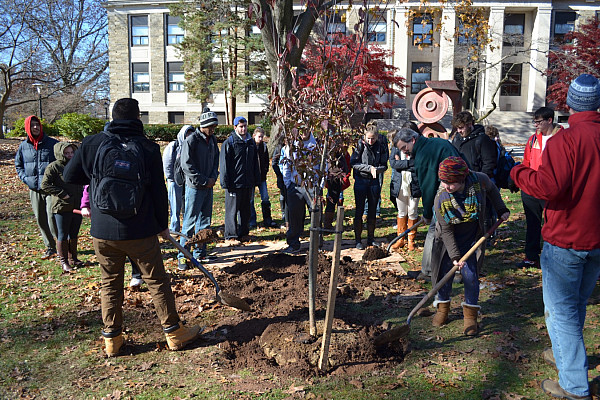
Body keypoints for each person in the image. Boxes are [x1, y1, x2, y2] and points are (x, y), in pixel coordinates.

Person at [63, 98, 202, 356]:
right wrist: (162, 225)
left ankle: (112, 341)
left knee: (110, 283)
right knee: (157, 282)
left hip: (103, 231)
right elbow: (159, 192)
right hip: (140, 229)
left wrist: (95, 177)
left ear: (113, 117)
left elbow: (69, 176)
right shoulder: (147, 147)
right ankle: (174, 333)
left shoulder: (93, 143)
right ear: (137, 118)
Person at [510, 74, 600, 400]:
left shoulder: (566, 141)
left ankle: (574, 387)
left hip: (566, 240)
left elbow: (547, 187)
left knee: (561, 313)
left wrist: (517, 172)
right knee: (575, 306)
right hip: (596, 242)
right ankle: (568, 359)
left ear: (570, 104)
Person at [431, 156, 509, 336]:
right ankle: (442, 309)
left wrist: (501, 209)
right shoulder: (440, 199)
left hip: (472, 237)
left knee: (471, 276)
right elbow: (446, 230)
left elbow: (492, 190)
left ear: (463, 179)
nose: (446, 186)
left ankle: (470, 317)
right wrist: (455, 257)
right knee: (444, 275)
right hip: (447, 242)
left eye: (451, 183)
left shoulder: (479, 180)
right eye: (443, 181)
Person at [392, 128, 462, 280]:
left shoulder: (424, 156)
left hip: (449, 191)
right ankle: (446, 270)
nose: (405, 152)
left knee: (436, 231)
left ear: (413, 140)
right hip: (458, 187)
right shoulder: (436, 142)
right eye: (402, 150)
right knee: (453, 230)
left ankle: (432, 271)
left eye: (405, 147)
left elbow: (428, 187)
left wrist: (428, 214)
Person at [516, 107, 563, 269]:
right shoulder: (533, 140)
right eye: (534, 122)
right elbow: (527, 162)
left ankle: (555, 257)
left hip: (553, 189)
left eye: (539, 122)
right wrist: (525, 182)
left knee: (554, 224)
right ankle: (531, 257)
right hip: (532, 189)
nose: (535, 125)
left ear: (549, 120)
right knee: (533, 223)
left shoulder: (562, 138)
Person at [178, 108, 220, 269]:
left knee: (205, 221)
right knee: (189, 222)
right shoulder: (192, 140)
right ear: (203, 125)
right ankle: (182, 255)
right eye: (211, 127)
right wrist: (203, 180)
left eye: (214, 127)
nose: (213, 130)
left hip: (208, 186)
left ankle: (200, 252)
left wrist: (213, 178)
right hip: (195, 187)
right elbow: (187, 166)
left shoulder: (213, 139)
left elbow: (215, 159)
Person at [15, 115, 58, 260]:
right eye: (32, 125)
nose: (35, 127)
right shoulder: (23, 146)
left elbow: (62, 163)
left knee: (52, 217)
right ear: (28, 127)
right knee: (41, 219)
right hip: (34, 189)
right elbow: (18, 165)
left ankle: (61, 246)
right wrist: (25, 179)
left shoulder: (52, 144)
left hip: (51, 188)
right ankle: (50, 247)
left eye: (37, 125)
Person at [41, 142, 84, 273]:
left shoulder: (77, 165)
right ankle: (64, 262)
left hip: (77, 205)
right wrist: (62, 194)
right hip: (61, 206)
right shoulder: (54, 167)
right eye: (66, 153)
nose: (70, 155)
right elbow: (45, 185)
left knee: (74, 233)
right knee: (63, 234)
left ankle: (73, 258)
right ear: (60, 153)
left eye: (72, 152)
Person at [219, 116, 260, 245]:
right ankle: (231, 235)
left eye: (245, 126)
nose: (243, 129)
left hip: (247, 183)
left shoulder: (250, 142)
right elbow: (224, 164)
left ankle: (244, 233)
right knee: (232, 210)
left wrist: (256, 179)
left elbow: (255, 162)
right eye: (241, 126)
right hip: (234, 183)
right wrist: (225, 182)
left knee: (245, 210)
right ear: (235, 127)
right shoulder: (229, 143)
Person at [279, 128, 318, 254]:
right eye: (300, 130)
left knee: (315, 215)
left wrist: (319, 184)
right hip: (295, 186)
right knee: (294, 216)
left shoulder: (317, 144)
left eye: (306, 129)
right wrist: (288, 183)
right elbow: (286, 165)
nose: (303, 132)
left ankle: (316, 243)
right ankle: (294, 243)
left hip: (312, 186)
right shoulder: (291, 146)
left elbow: (323, 165)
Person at [350, 124, 388, 250]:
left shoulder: (381, 145)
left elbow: (385, 164)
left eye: (373, 138)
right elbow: (353, 163)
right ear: (365, 136)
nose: (370, 141)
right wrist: (368, 168)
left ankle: (371, 238)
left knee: (372, 210)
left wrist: (376, 170)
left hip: (374, 181)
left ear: (377, 136)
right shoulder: (360, 145)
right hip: (361, 180)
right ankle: (358, 240)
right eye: (368, 138)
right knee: (359, 210)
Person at [389, 128, 421, 251]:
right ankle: (400, 239)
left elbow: (417, 165)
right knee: (402, 211)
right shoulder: (396, 148)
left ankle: (411, 240)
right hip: (400, 183)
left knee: (412, 211)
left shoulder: (416, 149)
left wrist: (401, 163)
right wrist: (407, 164)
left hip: (414, 183)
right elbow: (393, 164)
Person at [163, 124, 195, 233]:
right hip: (174, 181)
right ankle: (174, 228)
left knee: (187, 205)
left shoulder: (192, 147)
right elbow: (167, 163)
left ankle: (187, 228)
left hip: (188, 181)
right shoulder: (173, 146)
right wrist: (171, 179)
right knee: (175, 206)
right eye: (187, 134)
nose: (189, 137)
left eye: (191, 135)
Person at [451, 111, 497, 178]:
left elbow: (489, 163)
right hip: (459, 180)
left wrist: (480, 180)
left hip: (477, 180)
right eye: (457, 128)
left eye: (461, 127)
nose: (458, 131)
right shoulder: (456, 138)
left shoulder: (482, 139)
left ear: (469, 124)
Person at [249, 127, 277, 228]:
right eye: (259, 137)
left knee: (265, 198)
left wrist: (265, 170)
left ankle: (267, 220)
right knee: (250, 200)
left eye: (262, 137)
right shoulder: (249, 146)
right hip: (251, 178)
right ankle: (252, 221)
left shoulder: (264, 147)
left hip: (261, 177)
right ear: (254, 136)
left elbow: (266, 160)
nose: (260, 139)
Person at [323, 146, 351, 230]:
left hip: (340, 180)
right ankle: (327, 225)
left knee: (339, 199)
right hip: (331, 180)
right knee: (331, 201)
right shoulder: (327, 154)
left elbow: (348, 165)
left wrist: (345, 176)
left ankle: (338, 223)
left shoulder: (343, 153)